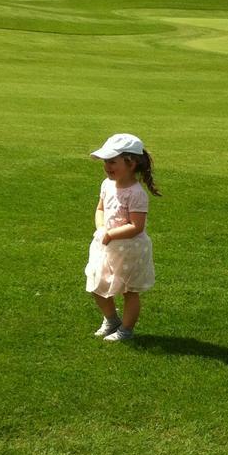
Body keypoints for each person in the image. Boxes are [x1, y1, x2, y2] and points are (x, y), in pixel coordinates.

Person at [85, 133, 160, 342]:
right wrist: (101, 228)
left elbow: (136, 226)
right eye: (105, 162)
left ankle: (126, 330)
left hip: (129, 249)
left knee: (128, 290)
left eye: (112, 161)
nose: (107, 166)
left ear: (131, 163)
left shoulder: (136, 194)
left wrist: (110, 233)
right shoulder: (106, 185)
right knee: (96, 284)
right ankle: (111, 319)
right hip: (105, 244)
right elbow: (100, 209)